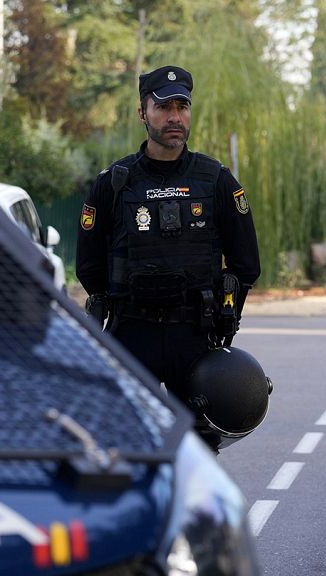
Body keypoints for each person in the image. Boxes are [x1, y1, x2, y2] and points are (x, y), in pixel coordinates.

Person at [76, 65, 261, 415]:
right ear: (142, 112)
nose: (175, 116)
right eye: (163, 107)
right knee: (128, 442)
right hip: (131, 334)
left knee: (198, 446)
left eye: (182, 107)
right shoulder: (113, 182)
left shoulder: (216, 180)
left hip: (194, 337)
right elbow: (89, 264)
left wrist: (225, 314)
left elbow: (246, 263)